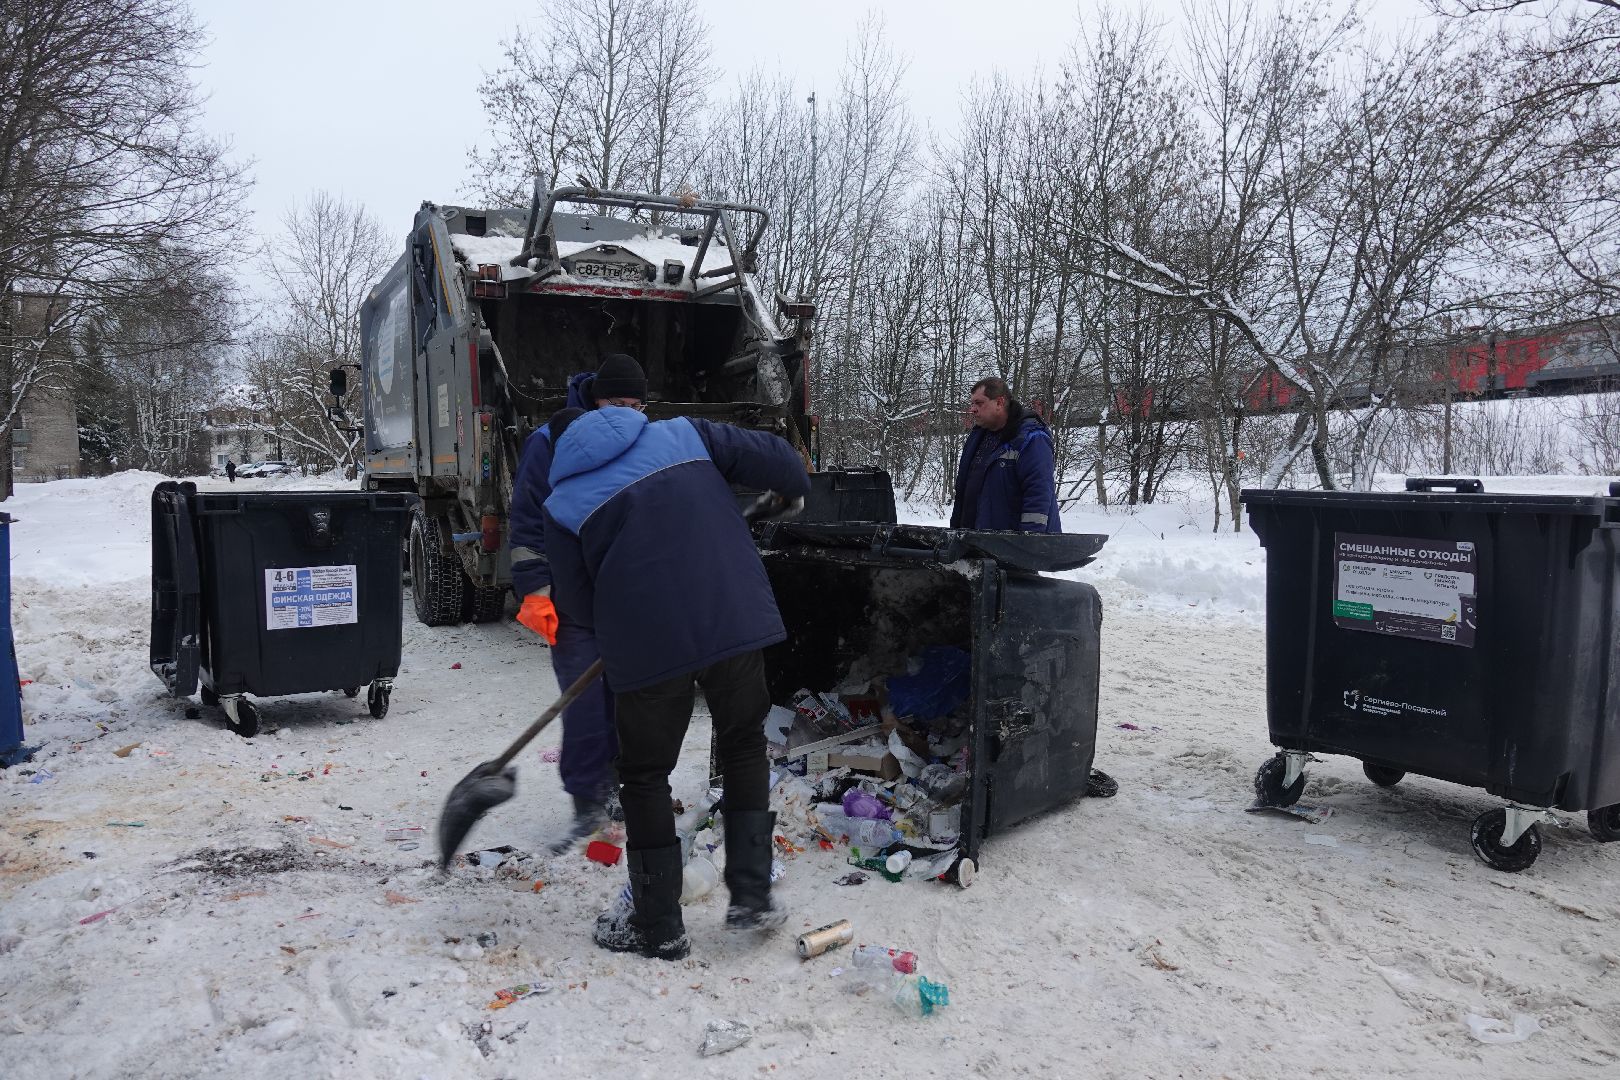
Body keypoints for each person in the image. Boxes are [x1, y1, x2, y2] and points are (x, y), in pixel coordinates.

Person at [542, 404, 811, 961]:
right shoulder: (683, 434)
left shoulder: (563, 502)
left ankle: (658, 924)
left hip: (646, 640)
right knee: (742, 744)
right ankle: (752, 899)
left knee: (643, 774)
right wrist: (789, 490)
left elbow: (575, 605)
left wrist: (617, 618)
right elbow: (783, 462)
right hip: (732, 615)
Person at [508, 353, 649, 849]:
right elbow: (527, 522)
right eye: (616, 402)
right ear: (594, 399)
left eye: (636, 404)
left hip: (629, 603)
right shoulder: (549, 443)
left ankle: (621, 793)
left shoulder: (645, 441)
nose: (626, 413)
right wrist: (535, 591)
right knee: (587, 707)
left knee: (632, 706)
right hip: (572, 605)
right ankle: (587, 805)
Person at [949, 376, 1061, 533]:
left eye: (979, 403)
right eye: (972, 403)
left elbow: (1038, 495)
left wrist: (1029, 543)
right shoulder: (978, 437)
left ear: (1000, 403)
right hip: (978, 543)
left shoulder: (1031, 438)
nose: (973, 409)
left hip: (1014, 548)